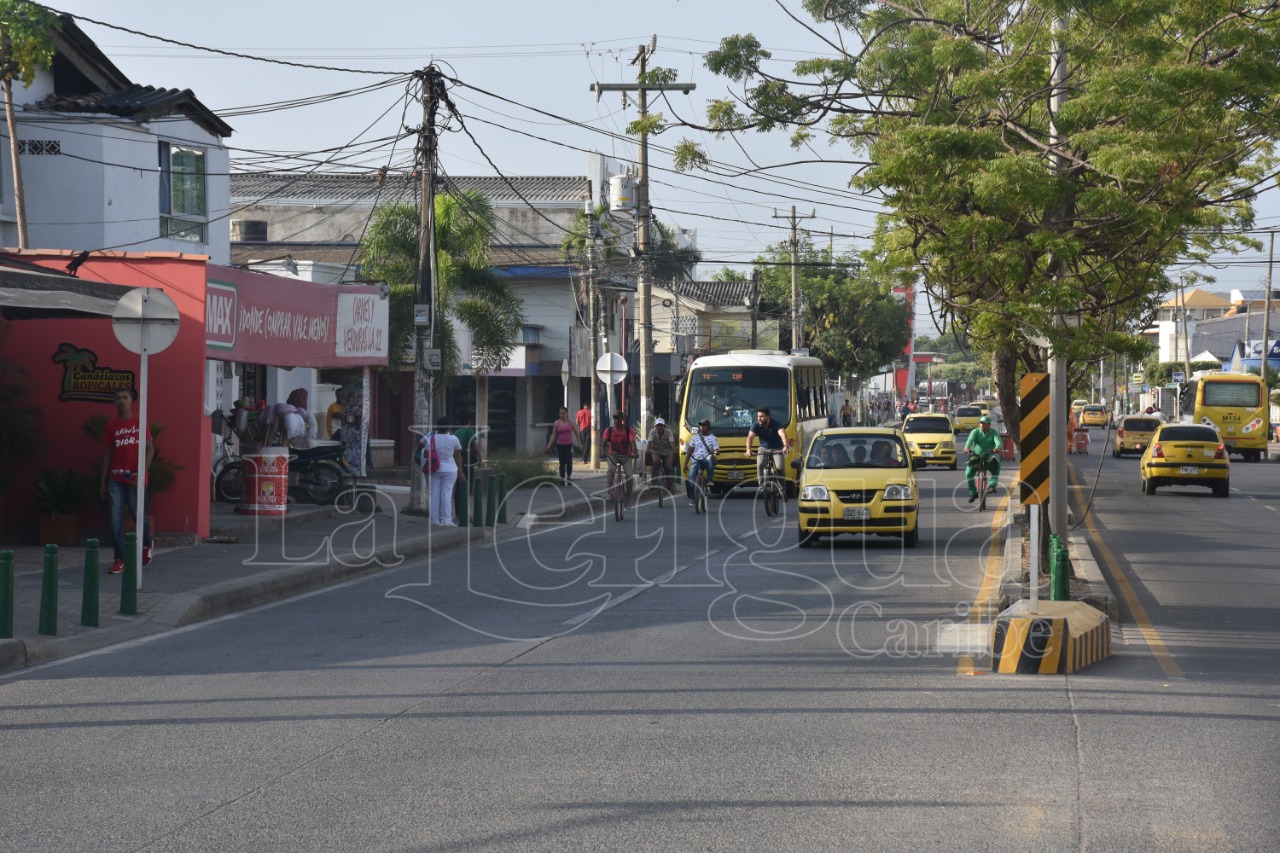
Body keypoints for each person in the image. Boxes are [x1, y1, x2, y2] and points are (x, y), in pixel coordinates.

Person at [99, 388, 154, 575]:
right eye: (117, 399)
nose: (121, 401)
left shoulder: (140, 421)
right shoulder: (111, 425)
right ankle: (119, 558)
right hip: (115, 478)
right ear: (114, 402)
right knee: (115, 520)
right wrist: (103, 482)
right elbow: (107, 453)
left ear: (131, 401)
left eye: (124, 398)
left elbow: (150, 449)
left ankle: (147, 543)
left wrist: (141, 471)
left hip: (136, 478)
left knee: (138, 515)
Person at [423, 425, 464, 526]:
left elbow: (425, 454)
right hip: (450, 469)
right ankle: (446, 520)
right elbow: (458, 455)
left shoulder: (431, 438)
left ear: (437, 428)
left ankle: (434, 520)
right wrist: (461, 472)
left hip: (434, 469)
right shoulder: (454, 439)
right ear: (449, 428)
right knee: (446, 494)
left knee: (434, 494)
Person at [744, 407, 790, 486]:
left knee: (779, 468)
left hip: (777, 449)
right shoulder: (756, 425)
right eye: (758, 416)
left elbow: (783, 434)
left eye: (762, 417)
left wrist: (785, 446)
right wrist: (748, 450)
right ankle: (761, 487)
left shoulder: (776, 424)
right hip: (763, 449)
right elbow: (750, 437)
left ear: (768, 417)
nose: (759, 419)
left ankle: (783, 489)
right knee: (760, 465)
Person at [601, 412, 638, 505]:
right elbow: (603, 443)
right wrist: (602, 452)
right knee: (610, 472)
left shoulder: (629, 430)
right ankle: (610, 494)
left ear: (622, 419)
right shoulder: (608, 430)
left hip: (626, 456)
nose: (616, 421)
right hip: (613, 455)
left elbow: (632, 442)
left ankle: (628, 498)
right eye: (615, 418)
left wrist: (634, 452)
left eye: (618, 418)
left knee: (629, 475)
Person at [964, 415, 1001, 502]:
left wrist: (997, 448)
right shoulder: (975, 431)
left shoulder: (994, 432)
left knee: (997, 465)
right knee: (968, 472)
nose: (982, 425)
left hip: (990, 455)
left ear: (989, 425)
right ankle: (973, 493)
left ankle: (992, 485)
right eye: (980, 423)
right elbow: (970, 440)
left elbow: (998, 442)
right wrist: (966, 448)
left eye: (984, 423)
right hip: (976, 455)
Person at [684, 418, 719, 504]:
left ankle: (709, 479)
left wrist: (717, 451)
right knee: (690, 477)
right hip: (696, 459)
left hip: (707, 458)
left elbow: (716, 448)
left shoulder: (713, 438)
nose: (702, 427)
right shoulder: (695, 437)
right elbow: (690, 450)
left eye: (704, 426)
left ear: (709, 428)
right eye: (701, 426)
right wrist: (685, 464)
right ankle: (693, 497)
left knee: (710, 457)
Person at [544, 406, 580, 485]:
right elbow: (553, 435)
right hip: (560, 445)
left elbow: (576, 432)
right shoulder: (557, 423)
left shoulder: (571, 423)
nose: (562, 415)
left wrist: (579, 442)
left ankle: (569, 476)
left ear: (566, 414)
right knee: (562, 462)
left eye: (563, 413)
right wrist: (548, 446)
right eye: (561, 413)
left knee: (569, 461)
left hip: (569, 445)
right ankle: (562, 479)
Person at [645, 417, 678, 490]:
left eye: (661, 425)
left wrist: (675, 451)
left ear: (664, 426)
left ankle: (669, 484)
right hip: (655, 451)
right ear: (655, 426)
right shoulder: (652, 432)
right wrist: (647, 450)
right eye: (658, 425)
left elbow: (671, 442)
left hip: (667, 452)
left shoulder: (668, 432)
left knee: (668, 466)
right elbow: (649, 442)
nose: (659, 427)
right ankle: (653, 482)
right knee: (655, 462)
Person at [453, 414, 482, 487]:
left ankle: (458, 498)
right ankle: (465, 497)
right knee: (468, 482)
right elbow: (475, 447)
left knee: (459, 482)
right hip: (467, 460)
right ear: (469, 421)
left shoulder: (456, 432)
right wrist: (480, 459)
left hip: (456, 460)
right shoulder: (469, 431)